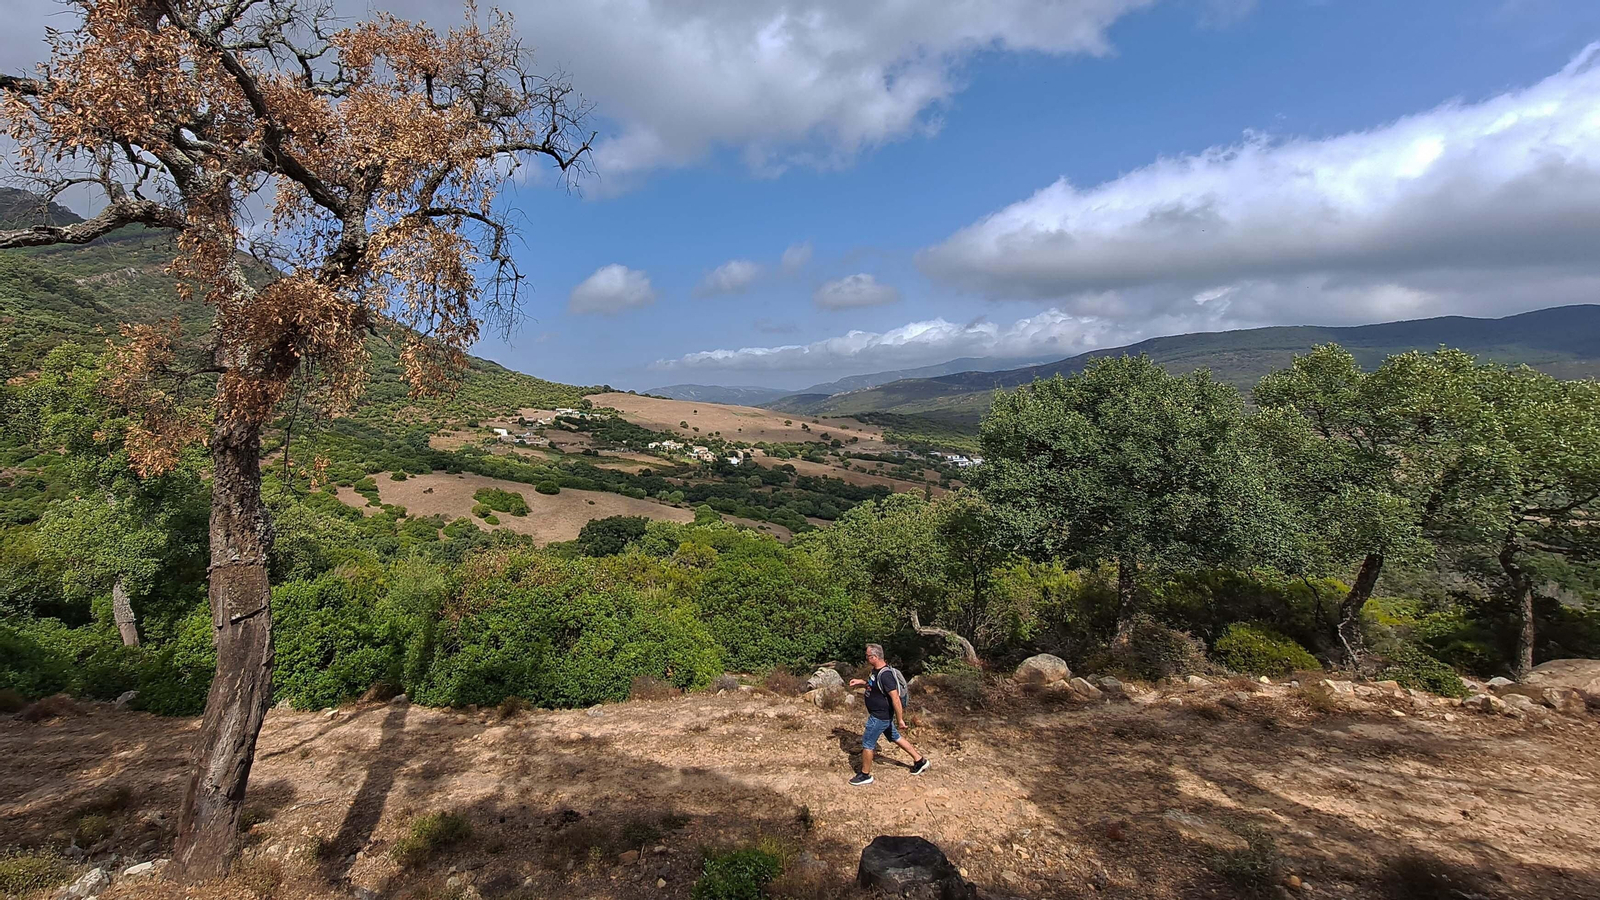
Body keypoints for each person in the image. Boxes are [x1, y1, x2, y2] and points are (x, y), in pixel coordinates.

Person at [848, 643, 929, 785]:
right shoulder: (876, 671)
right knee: (895, 737)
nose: (866, 658)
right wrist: (862, 682)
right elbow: (874, 686)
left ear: (874, 657)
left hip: (879, 717)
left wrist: (900, 719)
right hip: (881, 716)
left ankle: (865, 775)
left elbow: (895, 698)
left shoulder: (886, 675)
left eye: (867, 656)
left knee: (867, 743)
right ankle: (920, 761)